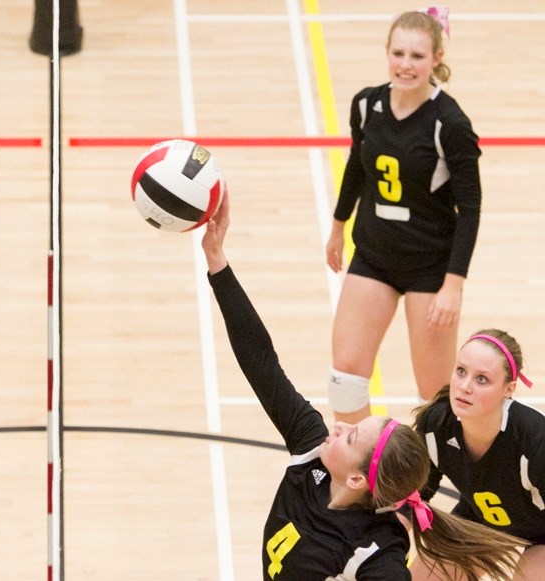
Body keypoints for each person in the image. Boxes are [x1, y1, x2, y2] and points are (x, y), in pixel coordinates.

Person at [202, 192, 524, 580]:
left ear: (356, 479)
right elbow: (261, 363)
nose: (338, 426)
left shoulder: (375, 554)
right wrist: (217, 261)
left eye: (350, 436)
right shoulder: (312, 451)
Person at [325, 9, 482, 423]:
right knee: (345, 378)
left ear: (436, 58)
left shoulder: (449, 123)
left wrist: (453, 285)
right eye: (398, 53)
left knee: (436, 400)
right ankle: (364, 479)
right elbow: (357, 168)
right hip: (374, 255)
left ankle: (436, 484)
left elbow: (471, 209)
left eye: (416, 56)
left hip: (430, 267)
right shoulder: (367, 104)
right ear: (387, 53)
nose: (406, 65)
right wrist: (338, 227)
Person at [411, 330, 545, 579]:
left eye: (481, 379)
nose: (464, 386)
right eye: (461, 371)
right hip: (482, 522)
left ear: (509, 389)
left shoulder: (535, 439)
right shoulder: (437, 424)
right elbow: (412, 498)